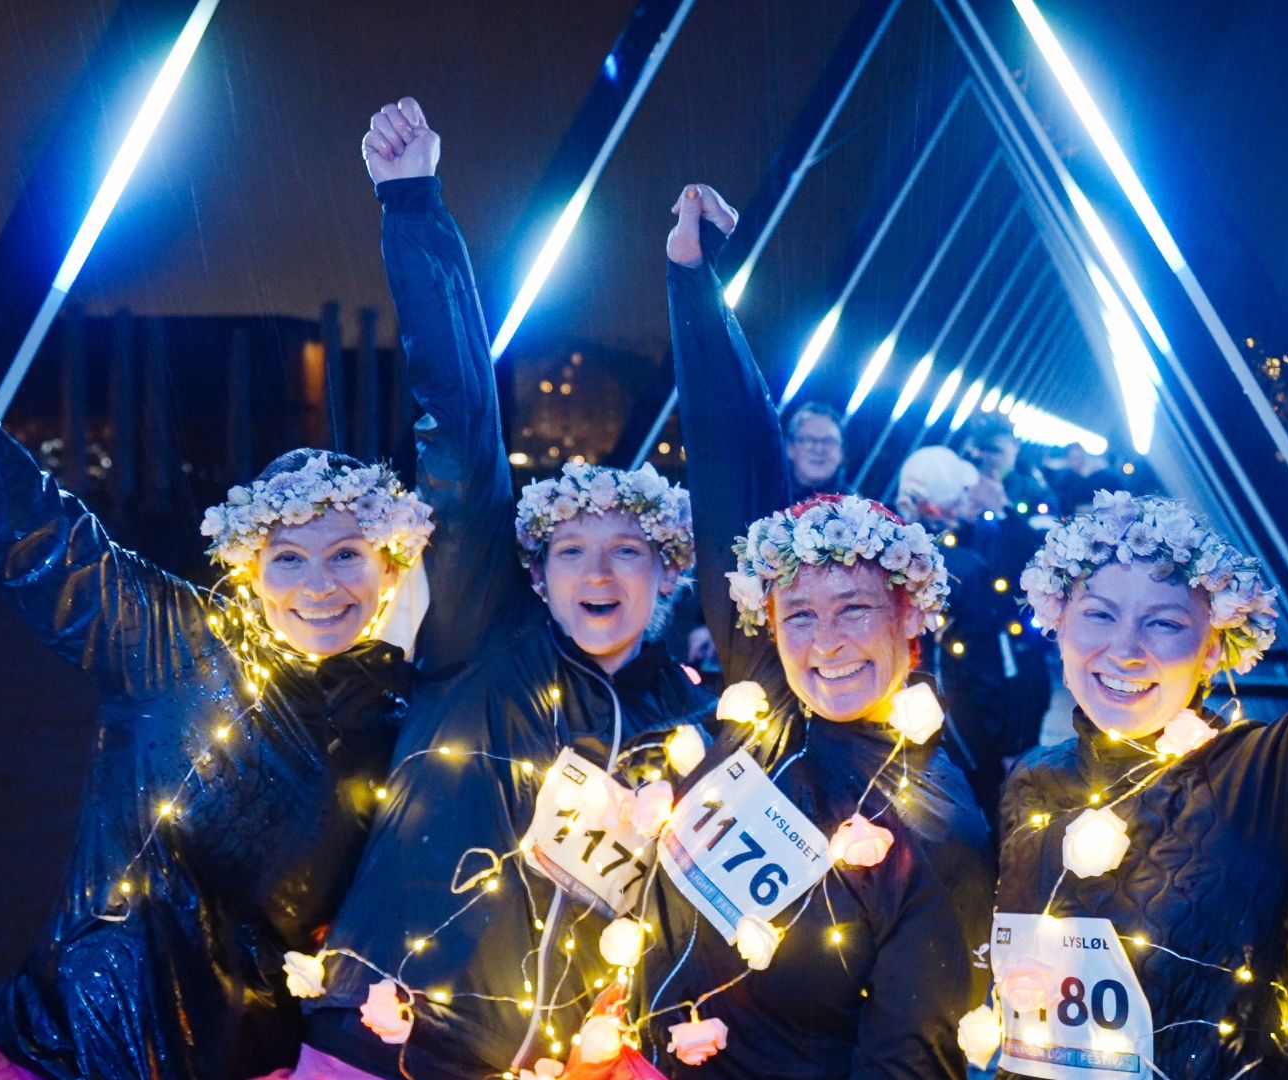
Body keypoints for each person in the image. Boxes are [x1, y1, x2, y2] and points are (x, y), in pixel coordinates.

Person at [0, 191, 439, 1079]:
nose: (320, 586)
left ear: (391, 565)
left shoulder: (412, 714)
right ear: (249, 567)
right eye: (289, 558)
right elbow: (9, 508)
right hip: (76, 1049)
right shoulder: (176, 647)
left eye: (347, 555)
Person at [273, 98, 711, 1080]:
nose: (599, 574)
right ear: (533, 574)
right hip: (380, 1046)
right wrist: (415, 207)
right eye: (572, 553)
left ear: (669, 574)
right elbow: (464, 438)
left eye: (627, 553)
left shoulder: (688, 725)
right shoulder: (484, 636)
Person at [986, 187, 1288, 1078]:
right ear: (1058, 626)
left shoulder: (1263, 790)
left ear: (1215, 645)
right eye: (1099, 616)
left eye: (1165, 623)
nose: (1124, 650)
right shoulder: (1030, 787)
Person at [642, 182, 994, 1078]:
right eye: (799, 613)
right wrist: (692, 279)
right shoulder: (766, 691)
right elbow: (732, 467)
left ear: (911, 616)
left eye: (855, 611)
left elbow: (907, 1063)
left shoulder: (938, 830)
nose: (825, 640)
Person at [896, 445, 1014, 819]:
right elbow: (986, 669)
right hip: (961, 730)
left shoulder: (884, 554)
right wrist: (998, 743)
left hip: (900, 722)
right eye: (961, 492)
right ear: (943, 501)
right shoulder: (966, 568)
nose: (969, 498)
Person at [783, 401, 849, 497]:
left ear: (841, 452)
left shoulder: (856, 508)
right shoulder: (763, 495)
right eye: (809, 440)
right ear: (790, 448)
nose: (819, 449)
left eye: (829, 441)